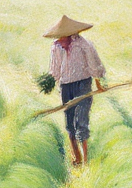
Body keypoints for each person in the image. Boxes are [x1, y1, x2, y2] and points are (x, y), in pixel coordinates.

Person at [44, 14, 107, 167]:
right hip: (66, 86)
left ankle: (85, 160)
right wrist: (51, 81)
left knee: (82, 121)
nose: (60, 41)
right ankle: (76, 157)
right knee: (70, 123)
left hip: (83, 84)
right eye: (58, 38)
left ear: (71, 36)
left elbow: (94, 64)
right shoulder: (56, 47)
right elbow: (55, 69)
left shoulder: (84, 45)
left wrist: (98, 83)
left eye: (63, 38)